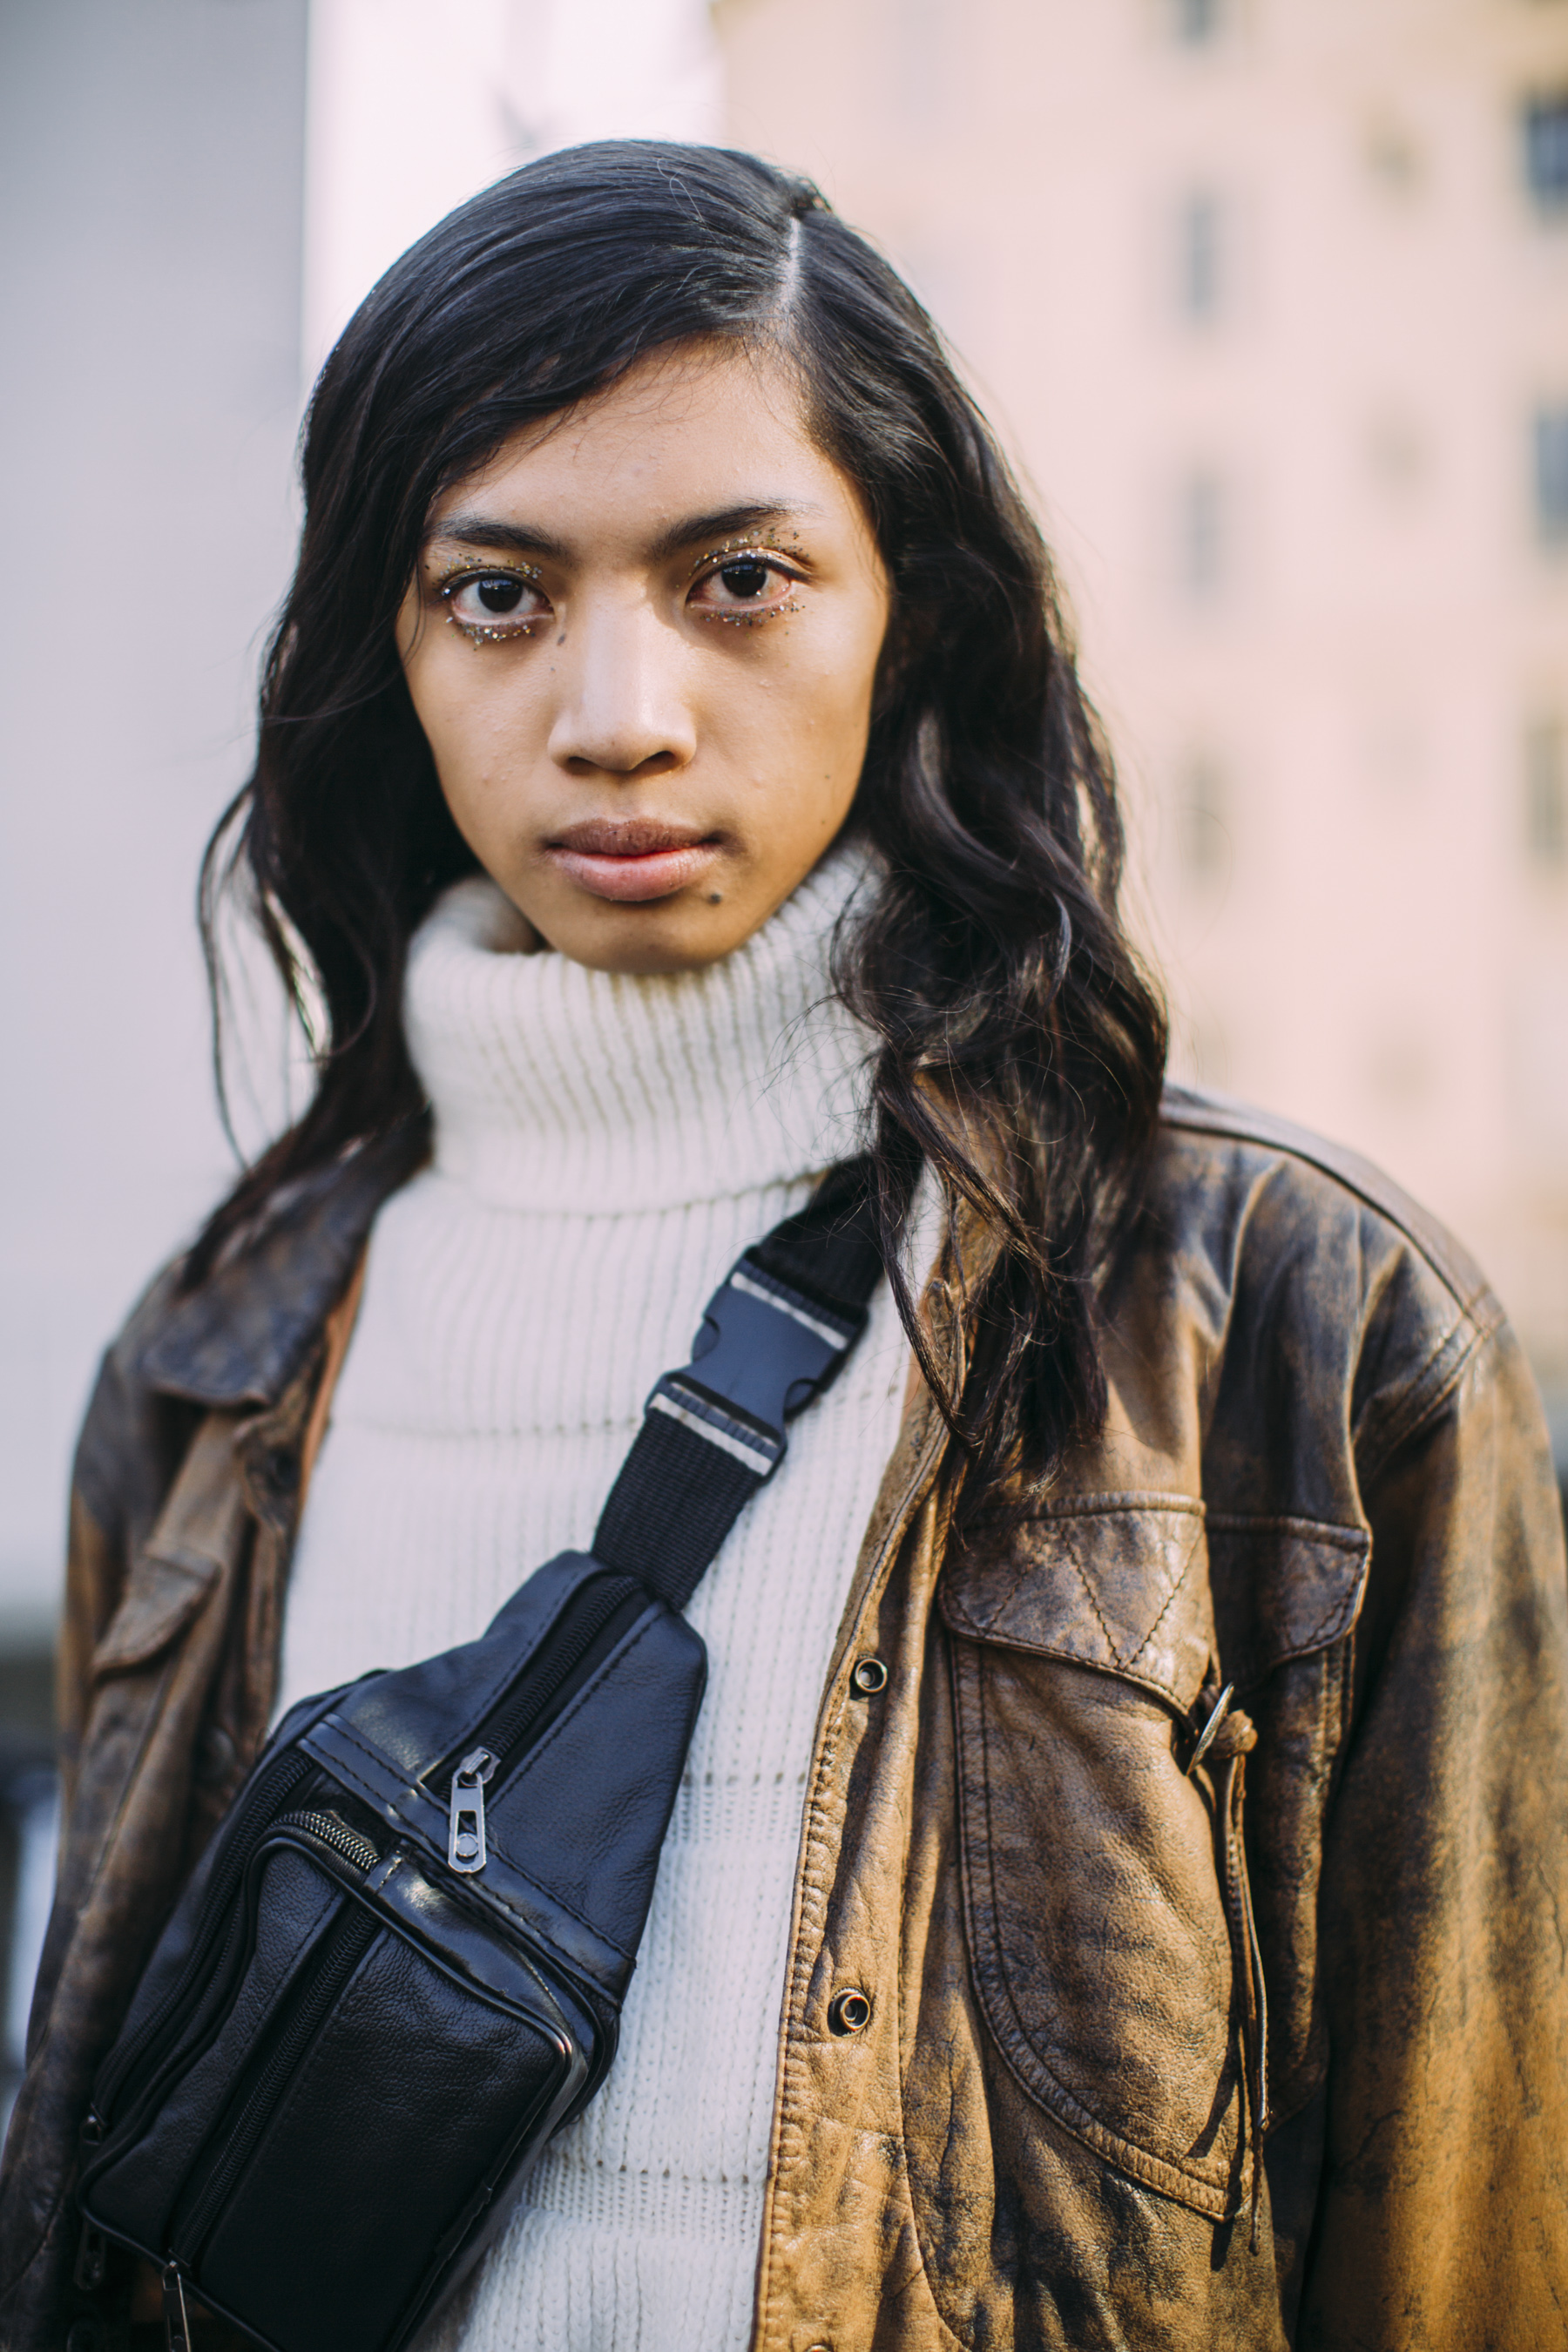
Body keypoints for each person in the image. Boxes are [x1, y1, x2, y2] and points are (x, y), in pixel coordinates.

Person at [2, 140, 1565, 2352]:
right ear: (389, 644)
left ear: (906, 609)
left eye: (737, 576)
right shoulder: (219, 1360)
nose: (619, 713)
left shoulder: (1299, 1334)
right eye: (499, 592)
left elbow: (1469, 2252)